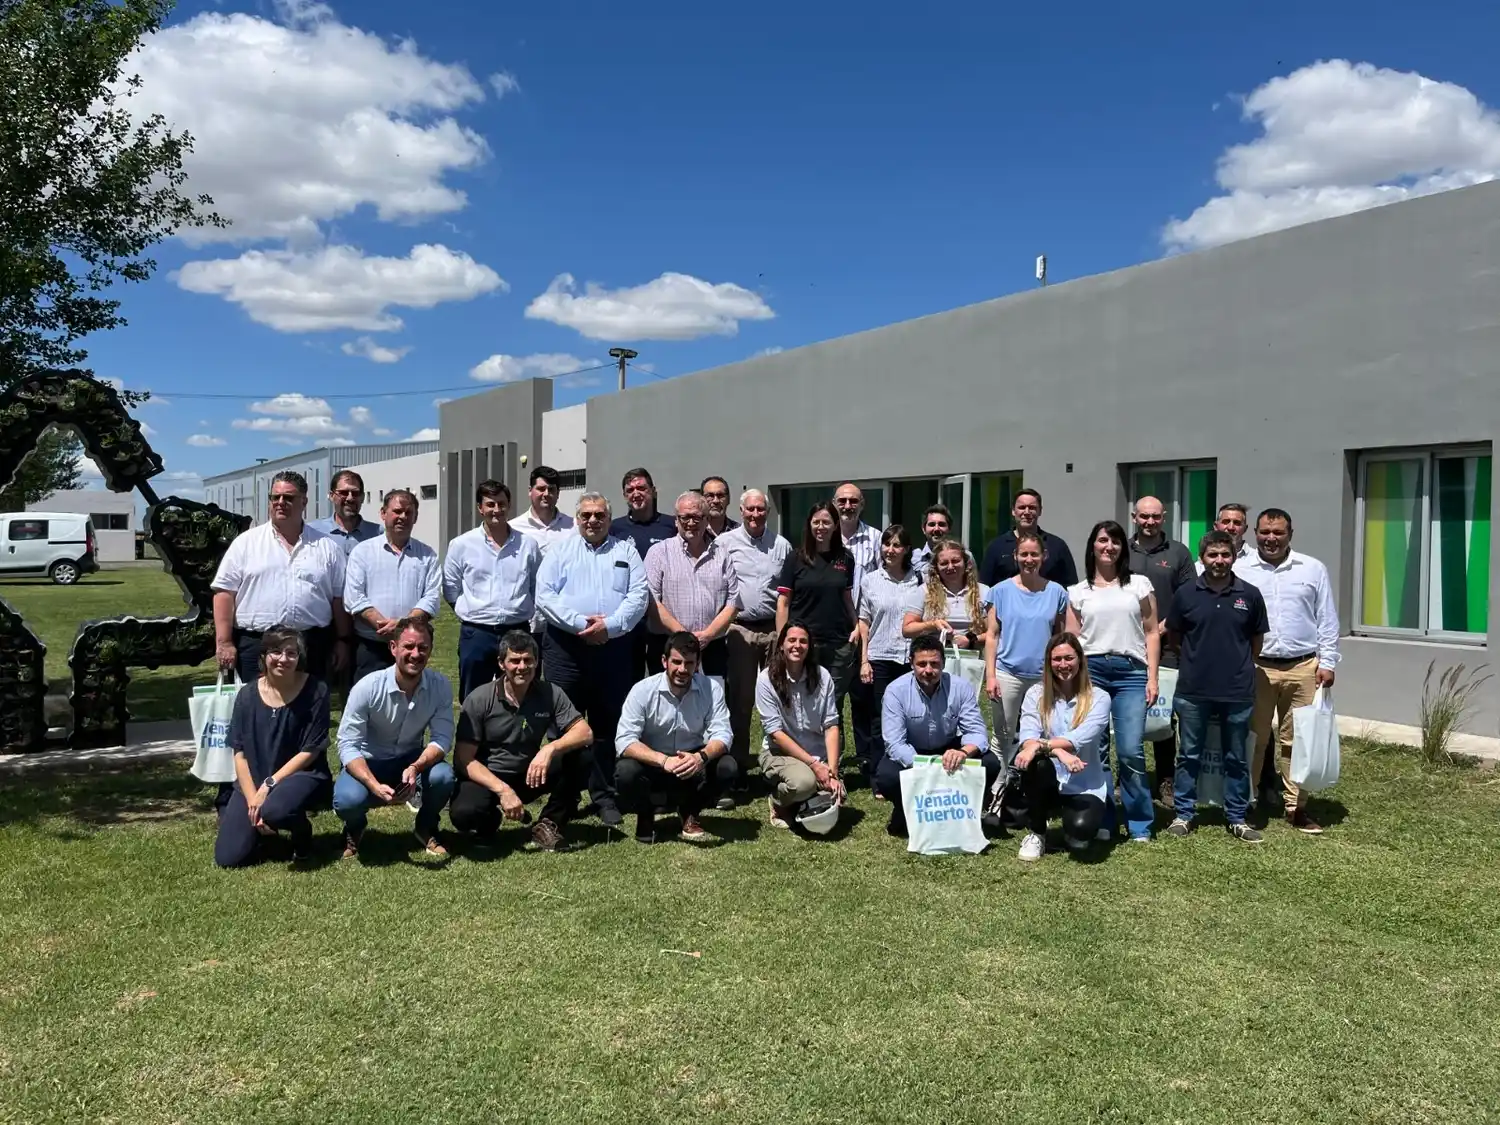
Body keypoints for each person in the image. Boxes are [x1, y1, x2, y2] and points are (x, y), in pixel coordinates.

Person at [537, 491, 649, 829]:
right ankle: (566, 797)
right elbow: (544, 594)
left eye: (599, 515)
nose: (592, 521)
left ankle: (604, 795)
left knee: (607, 725)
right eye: (586, 515)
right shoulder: (560, 551)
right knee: (563, 725)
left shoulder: (625, 551)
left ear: (607, 518)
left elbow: (638, 595)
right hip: (565, 649)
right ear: (577, 518)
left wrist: (610, 626)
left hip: (613, 649)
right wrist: (581, 624)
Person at [1234, 507, 1339, 833]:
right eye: (1265, 532)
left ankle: (1296, 807)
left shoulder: (1312, 568)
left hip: (1303, 667)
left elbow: (1326, 618)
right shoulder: (1241, 569)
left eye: (1278, 532)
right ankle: (1246, 803)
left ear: (1290, 535)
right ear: (1256, 534)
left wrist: (1329, 661)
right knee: (1254, 739)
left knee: (1299, 741)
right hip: (1257, 667)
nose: (1271, 539)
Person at [1166, 530, 1269, 844]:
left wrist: (1235, 666)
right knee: (1188, 755)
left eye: (1225, 555)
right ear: (1203, 558)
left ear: (1233, 557)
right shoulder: (1186, 593)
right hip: (1193, 690)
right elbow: (1175, 637)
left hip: (1237, 691)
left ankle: (1237, 816)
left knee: (1236, 757)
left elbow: (1256, 643)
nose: (1219, 561)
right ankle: (1184, 813)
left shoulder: (1250, 595)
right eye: (1213, 555)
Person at [449, 631, 595, 850]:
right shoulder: (480, 698)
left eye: (528, 660)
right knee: (464, 813)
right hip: (489, 776)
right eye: (514, 661)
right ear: (501, 663)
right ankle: (488, 821)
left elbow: (585, 732)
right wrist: (503, 791)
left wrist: (549, 749)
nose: (522, 667)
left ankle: (549, 824)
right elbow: (463, 759)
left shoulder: (550, 693)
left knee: (582, 755)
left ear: (537, 662)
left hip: (529, 773)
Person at [1065, 519, 1160, 842]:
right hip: (1091, 674)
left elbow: (1151, 633)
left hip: (1132, 673)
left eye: (1116, 541)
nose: (1110, 547)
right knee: (1097, 750)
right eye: (1104, 540)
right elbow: (1071, 643)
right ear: (1093, 545)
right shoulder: (1077, 592)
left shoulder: (1140, 585)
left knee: (1132, 750)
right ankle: (1104, 820)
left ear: (1123, 548)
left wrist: (1152, 676)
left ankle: (1140, 824)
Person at [333, 617, 456, 858]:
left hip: (409, 762)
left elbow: (442, 738)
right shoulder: (367, 687)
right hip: (369, 762)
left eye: (423, 647)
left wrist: (416, 766)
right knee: (347, 799)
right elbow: (347, 744)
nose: (415, 654)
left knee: (443, 776)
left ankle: (426, 826)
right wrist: (373, 784)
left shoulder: (440, 685)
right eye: (408, 646)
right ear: (393, 648)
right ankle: (355, 828)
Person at [211, 469, 351, 683]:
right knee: (258, 711)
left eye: (288, 498)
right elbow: (224, 593)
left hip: (311, 645)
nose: (280, 502)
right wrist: (224, 643)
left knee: (307, 710)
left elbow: (338, 599)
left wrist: (343, 640)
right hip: (257, 645)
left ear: (304, 502)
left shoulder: (328, 547)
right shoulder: (246, 543)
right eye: (275, 497)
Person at [214, 626, 332, 868]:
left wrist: (268, 786)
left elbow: (310, 750)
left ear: (300, 658)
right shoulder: (246, 695)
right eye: (276, 651)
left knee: (275, 810)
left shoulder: (316, 690)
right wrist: (252, 801)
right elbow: (239, 752)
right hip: (254, 780)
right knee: (228, 858)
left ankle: (301, 833)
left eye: (292, 653)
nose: (283, 659)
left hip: (301, 775)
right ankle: (265, 833)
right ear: (263, 656)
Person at [615, 631, 737, 844]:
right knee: (625, 771)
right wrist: (663, 760)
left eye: (689, 663)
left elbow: (724, 734)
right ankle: (646, 814)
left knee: (727, 767)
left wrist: (701, 757)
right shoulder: (642, 690)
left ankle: (690, 810)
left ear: (698, 663)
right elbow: (624, 740)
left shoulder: (712, 689)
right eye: (676, 662)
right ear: (664, 661)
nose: (682, 669)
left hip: (692, 761)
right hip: (654, 761)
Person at [875, 634, 1002, 837]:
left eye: (934, 664)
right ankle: (906, 810)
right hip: (913, 752)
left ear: (943, 663)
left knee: (990, 763)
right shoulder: (895, 691)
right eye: (922, 664)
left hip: (950, 748)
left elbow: (977, 733)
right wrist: (929, 765)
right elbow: (895, 744)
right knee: (886, 776)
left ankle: (962, 813)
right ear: (911, 664)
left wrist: (964, 752)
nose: (928, 670)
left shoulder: (961, 687)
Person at [1012, 632, 1112, 861]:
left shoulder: (1100, 697)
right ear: (1048, 663)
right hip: (1048, 779)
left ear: (1080, 660)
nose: (1063, 665)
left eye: (1069, 658)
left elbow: (1078, 738)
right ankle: (1037, 833)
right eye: (1056, 659)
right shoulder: (1035, 694)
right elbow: (1028, 737)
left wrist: (1044, 745)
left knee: (1080, 833)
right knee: (1035, 763)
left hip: (1084, 783)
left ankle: (1076, 825)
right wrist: (1058, 752)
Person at [717, 489, 793, 791]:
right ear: (741, 510)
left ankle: (778, 764)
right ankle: (737, 766)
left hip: (774, 630)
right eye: (750, 509)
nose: (755, 515)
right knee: (741, 700)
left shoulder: (782, 546)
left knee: (779, 698)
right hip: (740, 629)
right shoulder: (724, 544)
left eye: (761, 509)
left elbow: (787, 592)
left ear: (768, 511)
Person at [442, 480, 543, 702]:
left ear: (509, 505)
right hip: (477, 633)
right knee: (473, 697)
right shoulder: (461, 545)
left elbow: (537, 586)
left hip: (517, 631)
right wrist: (467, 610)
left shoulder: (528, 545)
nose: (496, 510)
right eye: (490, 504)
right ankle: (472, 737)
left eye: (501, 504)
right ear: (480, 508)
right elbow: (450, 588)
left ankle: (513, 737)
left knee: (518, 695)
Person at [1128, 495, 1196, 804]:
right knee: (1129, 713)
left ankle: (1166, 779)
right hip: (1127, 647)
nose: (1150, 522)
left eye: (1155, 516)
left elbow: (1189, 597)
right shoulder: (1121, 550)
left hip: (1167, 647)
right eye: (1144, 516)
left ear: (1163, 517)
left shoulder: (1179, 553)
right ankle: (1127, 777)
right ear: (1134, 517)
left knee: (1163, 714)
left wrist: (1160, 629)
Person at [983, 528, 1069, 752]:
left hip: (1044, 675)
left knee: (1045, 733)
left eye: (1034, 555)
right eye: (1024, 554)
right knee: (1003, 734)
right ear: (1015, 556)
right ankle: (999, 783)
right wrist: (990, 676)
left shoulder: (1057, 593)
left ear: (1044, 556)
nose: (1029, 560)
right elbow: (992, 636)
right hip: (1007, 673)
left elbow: (1061, 638)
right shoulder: (999, 591)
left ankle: (1037, 782)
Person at [343, 489, 441, 683]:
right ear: (383, 513)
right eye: (397, 511)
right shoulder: (362, 552)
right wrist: (385, 626)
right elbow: (354, 596)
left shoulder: (427, 555)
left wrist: (402, 627)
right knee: (370, 703)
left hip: (411, 648)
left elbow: (431, 598)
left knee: (409, 702)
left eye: (408, 512)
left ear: (415, 517)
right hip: (371, 646)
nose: (402, 517)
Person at [756, 621, 843, 828]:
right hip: (780, 752)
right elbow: (775, 733)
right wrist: (814, 766)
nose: (797, 645)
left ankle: (804, 800)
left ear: (809, 646)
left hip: (817, 755)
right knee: (804, 784)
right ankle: (778, 801)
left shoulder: (823, 676)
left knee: (836, 795)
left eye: (803, 641)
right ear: (781, 645)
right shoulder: (766, 679)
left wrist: (832, 771)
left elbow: (831, 725)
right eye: (792, 640)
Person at [644, 491, 739, 679]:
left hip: (713, 646)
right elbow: (651, 600)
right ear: (676, 520)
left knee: (712, 703)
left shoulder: (722, 554)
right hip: (669, 645)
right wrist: (685, 637)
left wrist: (707, 635)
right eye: (685, 517)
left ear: (706, 520)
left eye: (697, 517)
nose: (691, 522)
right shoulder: (659, 553)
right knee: (668, 704)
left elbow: (734, 600)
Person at [854, 524, 922, 789]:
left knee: (911, 716)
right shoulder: (871, 580)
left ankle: (907, 770)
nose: (890, 550)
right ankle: (879, 776)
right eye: (887, 544)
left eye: (896, 545)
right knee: (880, 718)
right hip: (880, 656)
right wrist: (864, 660)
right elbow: (864, 622)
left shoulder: (918, 580)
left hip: (909, 658)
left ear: (906, 550)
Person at [775, 501, 858, 711]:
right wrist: (782, 639)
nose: (821, 527)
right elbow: (783, 602)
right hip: (804, 643)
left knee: (833, 704)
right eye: (816, 522)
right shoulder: (795, 558)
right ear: (809, 525)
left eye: (826, 522)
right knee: (802, 700)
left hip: (838, 643)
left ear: (835, 525)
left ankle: (832, 744)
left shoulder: (846, 558)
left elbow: (847, 598)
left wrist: (856, 625)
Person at [612, 467, 678, 677]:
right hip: (629, 617)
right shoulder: (615, 528)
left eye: (641, 487)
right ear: (624, 495)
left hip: (662, 615)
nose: (636, 493)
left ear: (653, 491)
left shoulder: (671, 525)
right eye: (630, 490)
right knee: (629, 676)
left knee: (662, 673)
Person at [902, 537, 990, 652]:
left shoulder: (983, 592)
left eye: (955, 561)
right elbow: (907, 630)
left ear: (967, 564)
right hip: (933, 659)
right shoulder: (923, 591)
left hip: (972, 660)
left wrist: (972, 640)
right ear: (936, 568)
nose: (950, 567)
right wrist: (932, 625)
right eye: (944, 563)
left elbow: (994, 633)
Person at [978, 488, 1078, 588]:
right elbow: (984, 587)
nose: (1027, 512)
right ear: (1013, 511)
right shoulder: (996, 547)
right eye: (1022, 507)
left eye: (1032, 508)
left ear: (1040, 511)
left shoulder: (1057, 546)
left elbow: (1071, 587)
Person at [309, 469, 382, 557]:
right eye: (343, 493)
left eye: (355, 493)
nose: (350, 498)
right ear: (332, 496)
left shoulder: (378, 534)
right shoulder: (312, 532)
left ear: (362, 497)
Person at [832, 482, 882, 596]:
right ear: (833, 504)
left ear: (862, 505)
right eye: (842, 501)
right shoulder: (826, 538)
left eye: (853, 501)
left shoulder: (875, 538)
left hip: (864, 612)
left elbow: (884, 579)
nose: (848, 506)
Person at [1195, 503, 1254, 572]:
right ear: (1215, 526)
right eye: (1226, 522)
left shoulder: (1256, 560)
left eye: (1236, 523)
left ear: (1245, 528)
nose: (1231, 527)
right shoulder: (1201, 565)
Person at [909, 504, 953, 575]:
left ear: (949, 529)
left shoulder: (964, 557)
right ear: (923, 529)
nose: (936, 529)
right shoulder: (912, 558)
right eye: (932, 524)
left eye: (941, 524)